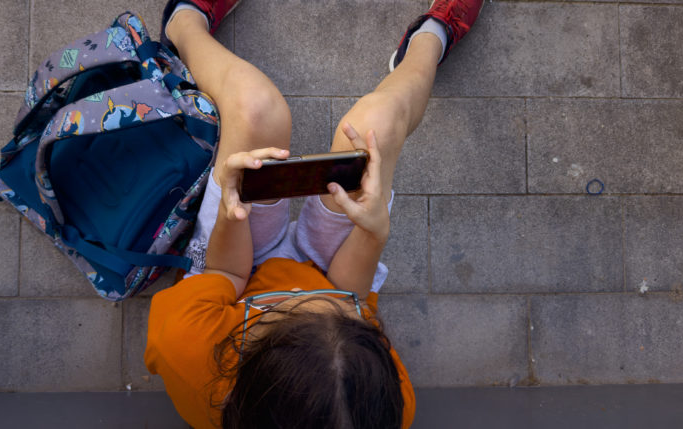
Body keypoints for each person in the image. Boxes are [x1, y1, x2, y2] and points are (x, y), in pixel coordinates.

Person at [145, 0, 484, 427]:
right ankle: (430, 41)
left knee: (255, 110)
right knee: (376, 126)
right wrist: (371, 232)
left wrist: (234, 211)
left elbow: (227, 276)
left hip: (234, 277)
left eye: (285, 311)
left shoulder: (190, 347)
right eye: (347, 322)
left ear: (242, 370)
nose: (303, 296)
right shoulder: (377, 400)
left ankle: (183, 24)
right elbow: (350, 295)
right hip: (331, 273)